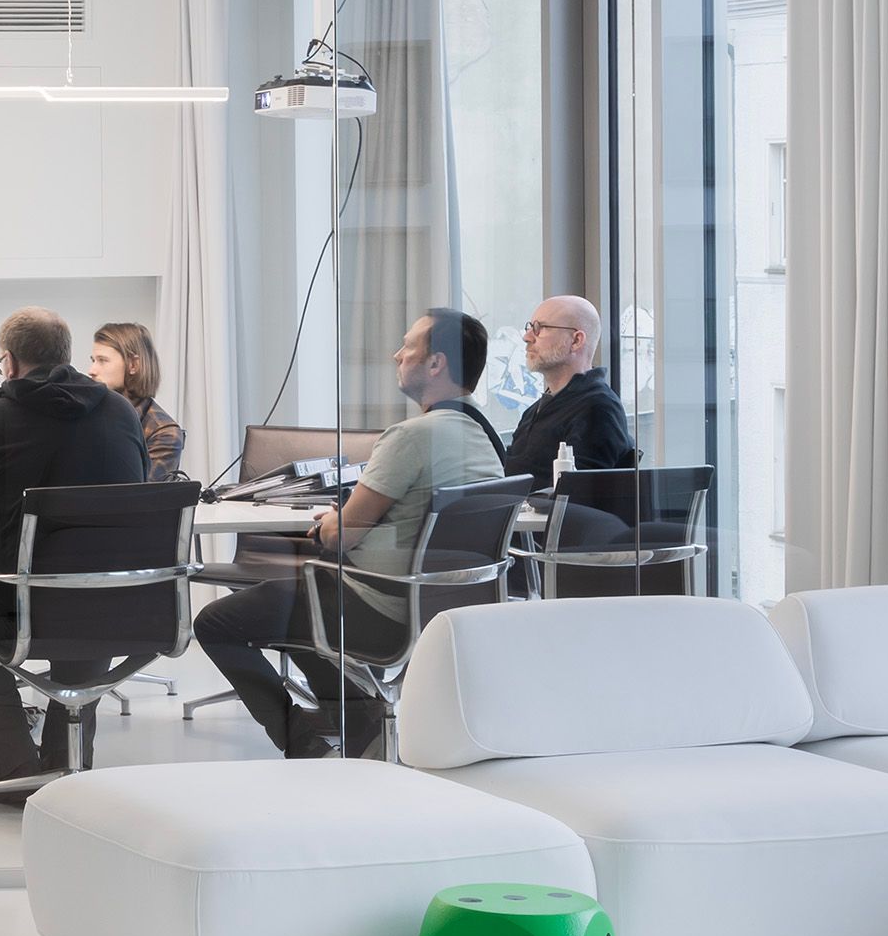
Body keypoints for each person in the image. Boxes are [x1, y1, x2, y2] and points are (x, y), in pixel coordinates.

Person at [196, 309, 505, 758]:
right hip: (444, 604)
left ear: (435, 363)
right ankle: (360, 729)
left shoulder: (411, 437)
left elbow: (343, 537)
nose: (396, 354)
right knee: (293, 609)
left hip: (378, 606)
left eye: (408, 346)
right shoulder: (483, 438)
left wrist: (329, 522)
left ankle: (305, 745)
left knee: (216, 623)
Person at [0, 307, 151, 785]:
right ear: (66, 357)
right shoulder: (122, 413)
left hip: (16, 601)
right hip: (110, 600)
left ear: (8, 362)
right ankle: (66, 767)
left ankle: (15, 770)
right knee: (84, 600)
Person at [501, 295, 637, 485]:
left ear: (576, 341)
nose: (527, 337)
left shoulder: (597, 408)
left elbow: (578, 497)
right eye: (530, 327)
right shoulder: (536, 410)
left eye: (539, 328)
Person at [88, 322, 186, 478]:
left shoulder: (164, 433)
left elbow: (138, 495)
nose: (91, 371)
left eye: (102, 360)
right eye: (93, 360)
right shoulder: (89, 413)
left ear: (133, 365)